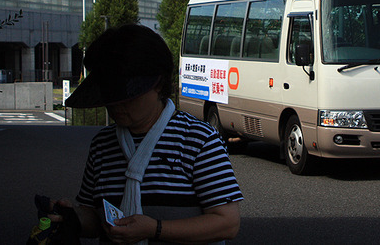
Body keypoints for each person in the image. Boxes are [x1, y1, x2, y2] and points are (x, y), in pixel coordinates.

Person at [48, 24, 243, 244]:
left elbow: (227, 223)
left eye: (129, 94)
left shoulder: (199, 140)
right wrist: (72, 217)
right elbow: (94, 217)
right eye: (110, 94)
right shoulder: (102, 145)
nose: (117, 104)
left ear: (158, 84)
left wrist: (155, 229)